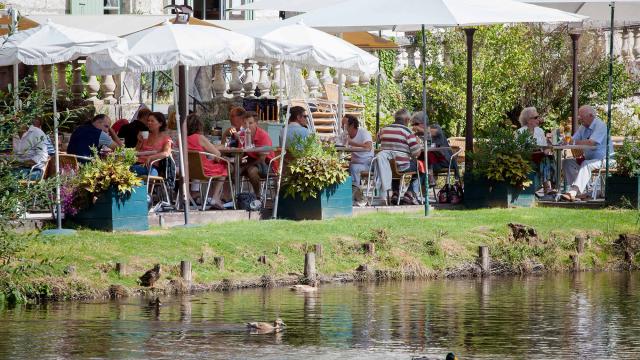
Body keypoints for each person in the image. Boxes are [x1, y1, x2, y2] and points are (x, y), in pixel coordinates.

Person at [560, 105, 614, 201]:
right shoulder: (583, 127)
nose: (579, 118)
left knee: (586, 164)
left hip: (606, 159)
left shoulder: (600, 125)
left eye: (581, 116)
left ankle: (573, 192)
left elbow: (591, 143)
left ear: (590, 115)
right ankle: (580, 193)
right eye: (579, 116)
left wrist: (573, 142)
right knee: (566, 162)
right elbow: (573, 140)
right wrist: (565, 141)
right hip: (590, 159)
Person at [378, 109, 423, 204]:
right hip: (402, 166)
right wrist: (417, 144)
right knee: (422, 165)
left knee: (394, 164)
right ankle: (410, 193)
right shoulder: (407, 132)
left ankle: (395, 193)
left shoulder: (383, 130)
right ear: (406, 119)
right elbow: (417, 153)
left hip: (386, 166)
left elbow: (378, 141)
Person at [186, 114, 228, 210]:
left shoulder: (183, 139)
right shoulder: (200, 138)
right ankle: (215, 197)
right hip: (203, 170)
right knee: (224, 166)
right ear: (199, 125)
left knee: (214, 163)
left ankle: (199, 195)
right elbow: (217, 153)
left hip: (188, 170)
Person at [410, 111, 458, 186]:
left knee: (422, 166)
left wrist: (420, 130)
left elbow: (434, 132)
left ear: (423, 122)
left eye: (416, 124)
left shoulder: (435, 127)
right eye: (413, 125)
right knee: (420, 164)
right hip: (433, 162)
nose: (414, 127)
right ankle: (415, 191)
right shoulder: (420, 134)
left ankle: (414, 190)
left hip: (444, 160)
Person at [517, 107, 554, 194]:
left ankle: (547, 187)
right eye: (536, 117)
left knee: (548, 159)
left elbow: (545, 147)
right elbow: (518, 149)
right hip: (527, 158)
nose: (539, 119)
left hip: (540, 157)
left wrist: (548, 147)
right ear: (528, 120)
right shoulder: (520, 132)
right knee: (546, 160)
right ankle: (547, 187)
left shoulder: (540, 131)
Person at [242, 111, 276, 200]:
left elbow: (262, 158)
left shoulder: (263, 136)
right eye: (245, 123)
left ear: (256, 123)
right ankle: (234, 198)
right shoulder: (242, 135)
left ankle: (257, 196)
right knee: (230, 169)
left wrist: (245, 166)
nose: (247, 126)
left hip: (267, 164)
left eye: (250, 123)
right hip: (250, 161)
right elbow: (241, 152)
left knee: (252, 171)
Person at [131, 112, 172, 178]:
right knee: (130, 169)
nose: (149, 123)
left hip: (153, 166)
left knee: (130, 170)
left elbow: (166, 153)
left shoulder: (166, 138)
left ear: (160, 124)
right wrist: (139, 141)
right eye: (148, 121)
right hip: (139, 164)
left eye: (152, 121)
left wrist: (151, 157)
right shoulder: (145, 136)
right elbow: (136, 151)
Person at [342, 114, 374, 192]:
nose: (342, 127)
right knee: (340, 168)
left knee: (353, 167)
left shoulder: (363, 133)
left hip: (367, 164)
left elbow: (368, 147)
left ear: (352, 125)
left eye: (344, 125)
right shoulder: (345, 135)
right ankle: (346, 192)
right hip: (354, 162)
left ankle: (356, 193)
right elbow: (338, 142)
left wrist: (351, 143)